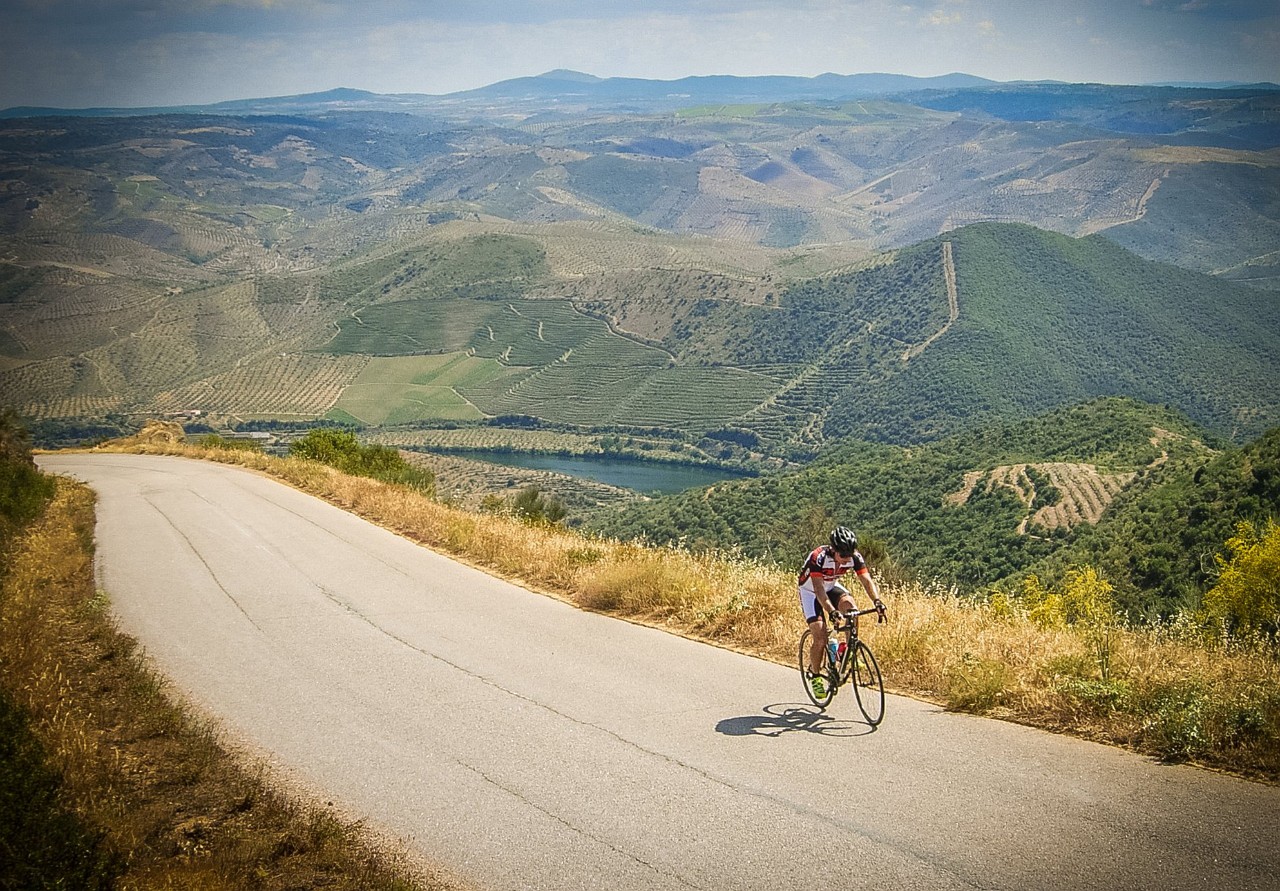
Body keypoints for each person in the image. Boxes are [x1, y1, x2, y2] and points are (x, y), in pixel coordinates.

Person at [798, 525, 884, 698]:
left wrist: (877, 601)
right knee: (820, 637)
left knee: (852, 609)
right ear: (833, 550)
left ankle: (846, 650)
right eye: (843, 555)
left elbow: (866, 580)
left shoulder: (854, 557)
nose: (846, 559)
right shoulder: (818, 558)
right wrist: (831, 610)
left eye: (849, 555)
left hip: (831, 586)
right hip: (811, 592)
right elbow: (819, 590)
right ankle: (815, 675)